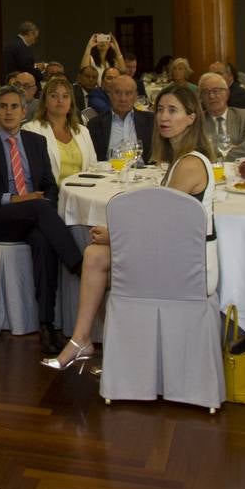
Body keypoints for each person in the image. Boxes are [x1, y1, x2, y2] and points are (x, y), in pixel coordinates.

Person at [45, 85, 219, 372]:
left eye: (173, 111)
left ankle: (96, 346)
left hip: (187, 266)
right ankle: (83, 340)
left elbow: (162, 227)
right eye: (160, 109)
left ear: (191, 118)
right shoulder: (180, 160)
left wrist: (115, 236)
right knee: (94, 255)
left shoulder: (189, 164)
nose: (163, 117)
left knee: (95, 256)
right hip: (176, 255)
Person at [0, 88, 81, 355]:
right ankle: (79, 265)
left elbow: (50, 186)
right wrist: (16, 199)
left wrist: (38, 202)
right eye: (3, 106)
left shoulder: (36, 142)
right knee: (38, 207)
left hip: (32, 215)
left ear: (24, 111)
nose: (8, 112)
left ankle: (46, 324)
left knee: (43, 240)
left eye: (14, 106)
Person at [26, 76, 96, 184]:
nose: (60, 100)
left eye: (65, 96)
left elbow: (92, 166)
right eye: (54, 96)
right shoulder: (31, 129)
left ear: (71, 103)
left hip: (82, 192)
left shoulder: (83, 130)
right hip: (51, 195)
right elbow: (32, 172)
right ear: (44, 102)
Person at [87, 73, 154, 164]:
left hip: (143, 173)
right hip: (110, 174)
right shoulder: (95, 124)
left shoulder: (150, 121)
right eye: (118, 93)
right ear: (110, 95)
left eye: (128, 93)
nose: (123, 99)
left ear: (135, 96)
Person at [197, 71, 245, 159]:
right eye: (205, 92)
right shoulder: (198, 121)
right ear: (200, 98)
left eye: (216, 91)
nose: (211, 96)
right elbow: (197, 151)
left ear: (227, 93)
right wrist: (232, 148)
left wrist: (220, 154)